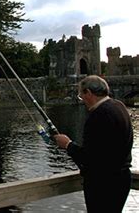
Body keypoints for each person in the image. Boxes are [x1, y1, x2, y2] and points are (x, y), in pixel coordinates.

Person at [54, 75, 133, 212]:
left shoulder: (98, 115)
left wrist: (68, 145)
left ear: (88, 93)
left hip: (104, 184)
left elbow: (91, 158)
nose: (82, 100)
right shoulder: (119, 106)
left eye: (81, 96)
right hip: (123, 179)